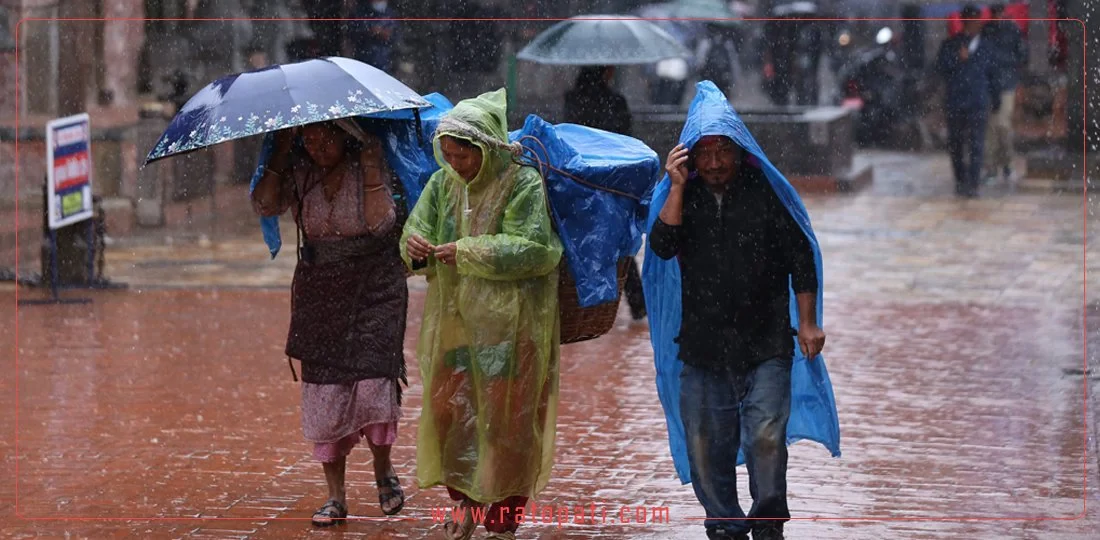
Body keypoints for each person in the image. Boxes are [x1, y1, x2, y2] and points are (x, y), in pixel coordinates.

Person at [642, 81, 840, 540]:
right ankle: (725, 525)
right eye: (704, 152)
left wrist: (807, 322)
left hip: (766, 341)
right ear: (690, 154)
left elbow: (799, 256)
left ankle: (768, 524)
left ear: (738, 149)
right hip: (702, 346)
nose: (713, 163)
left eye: (722, 151)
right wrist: (673, 186)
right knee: (706, 447)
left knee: (766, 437)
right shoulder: (683, 195)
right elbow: (663, 246)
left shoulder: (765, 191)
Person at [401, 88, 563, 540]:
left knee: (505, 420)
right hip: (454, 323)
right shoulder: (441, 185)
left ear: (486, 149)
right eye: (447, 154)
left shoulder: (522, 183)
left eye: (463, 156)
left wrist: (467, 251)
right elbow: (416, 231)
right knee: (450, 413)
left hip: (512, 328)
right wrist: (413, 248)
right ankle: (465, 505)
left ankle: (503, 518)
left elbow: (535, 249)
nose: (455, 164)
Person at [251, 120, 409, 526]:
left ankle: (383, 469)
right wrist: (282, 152)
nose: (317, 144)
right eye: (309, 136)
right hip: (320, 291)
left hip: (375, 287)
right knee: (325, 395)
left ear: (347, 134)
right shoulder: (299, 172)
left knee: (374, 384)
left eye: (326, 135)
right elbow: (265, 204)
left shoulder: (371, 164)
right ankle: (335, 497)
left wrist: (372, 169)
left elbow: (381, 224)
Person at [562, 65, 647, 320]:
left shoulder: (572, 99)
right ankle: (635, 300)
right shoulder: (615, 101)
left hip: (580, 178)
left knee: (577, 238)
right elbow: (626, 138)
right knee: (618, 238)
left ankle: (579, 302)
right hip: (612, 178)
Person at [936, 4, 1000, 198]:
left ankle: (973, 183)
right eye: (972, 19)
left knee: (976, 143)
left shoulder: (987, 46)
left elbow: (992, 75)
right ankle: (960, 180)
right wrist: (957, 58)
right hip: (956, 100)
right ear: (964, 21)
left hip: (978, 100)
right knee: (955, 143)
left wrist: (995, 98)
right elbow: (941, 68)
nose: (975, 23)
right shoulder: (951, 44)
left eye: (978, 19)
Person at [982, 3, 1028, 182]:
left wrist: (1006, 65)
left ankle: (1007, 163)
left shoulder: (1012, 30)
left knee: (1003, 125)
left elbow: (1022, 54)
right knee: (991, 128)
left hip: (1006, 83)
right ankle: (992, 166)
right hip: (989, 84)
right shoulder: (987, 31)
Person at [349, 0, 399, 72]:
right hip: (363, 62)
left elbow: (395, 35)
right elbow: (353, 33)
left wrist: (385, 34)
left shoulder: (391, 14)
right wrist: (369, 31)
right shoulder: (361, 12)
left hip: (385, 63)